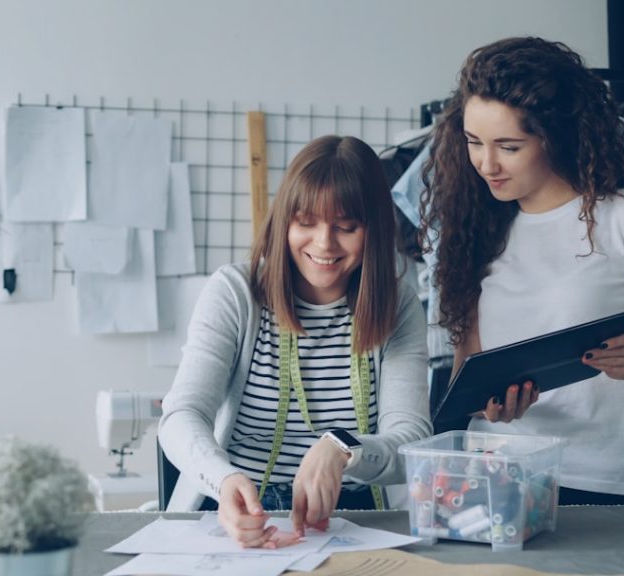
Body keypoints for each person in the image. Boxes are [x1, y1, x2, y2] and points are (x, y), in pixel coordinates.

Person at [420, 37, 624, 505]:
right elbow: (466, 377)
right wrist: (488, 406)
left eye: (509, 147)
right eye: (473, 142)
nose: (486, 164)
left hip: (596, 480)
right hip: (492, 475)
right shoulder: (475, 227)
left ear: (555, 135)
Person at [158, 135, 432, 548]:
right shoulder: (235, 292)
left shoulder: (399, 306)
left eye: (346, 227)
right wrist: (223, 479)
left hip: (356, 519)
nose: (324, 243)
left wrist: (342, 448)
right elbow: (182, 414)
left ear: (374, 230)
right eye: (306, 223)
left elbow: (410, 438)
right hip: (238, 509)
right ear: (284, 221)